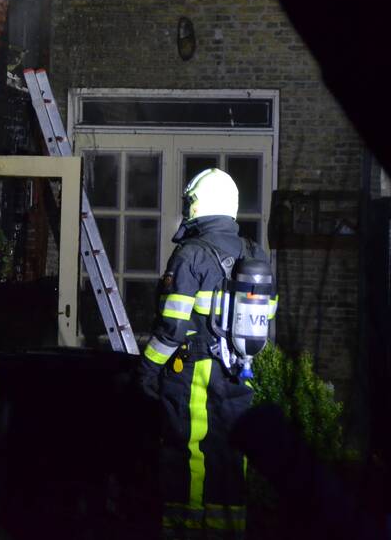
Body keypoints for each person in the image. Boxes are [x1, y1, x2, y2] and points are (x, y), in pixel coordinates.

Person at [136, 168, 277, 538]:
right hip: (238, 370)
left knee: (188, 450)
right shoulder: (253, 252)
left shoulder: (191, 255)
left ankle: (183, 529)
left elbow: (172, 327)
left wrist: (148, 369)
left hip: (193, 372)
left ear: (199, 204)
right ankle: (227, 530)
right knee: (229, 451)